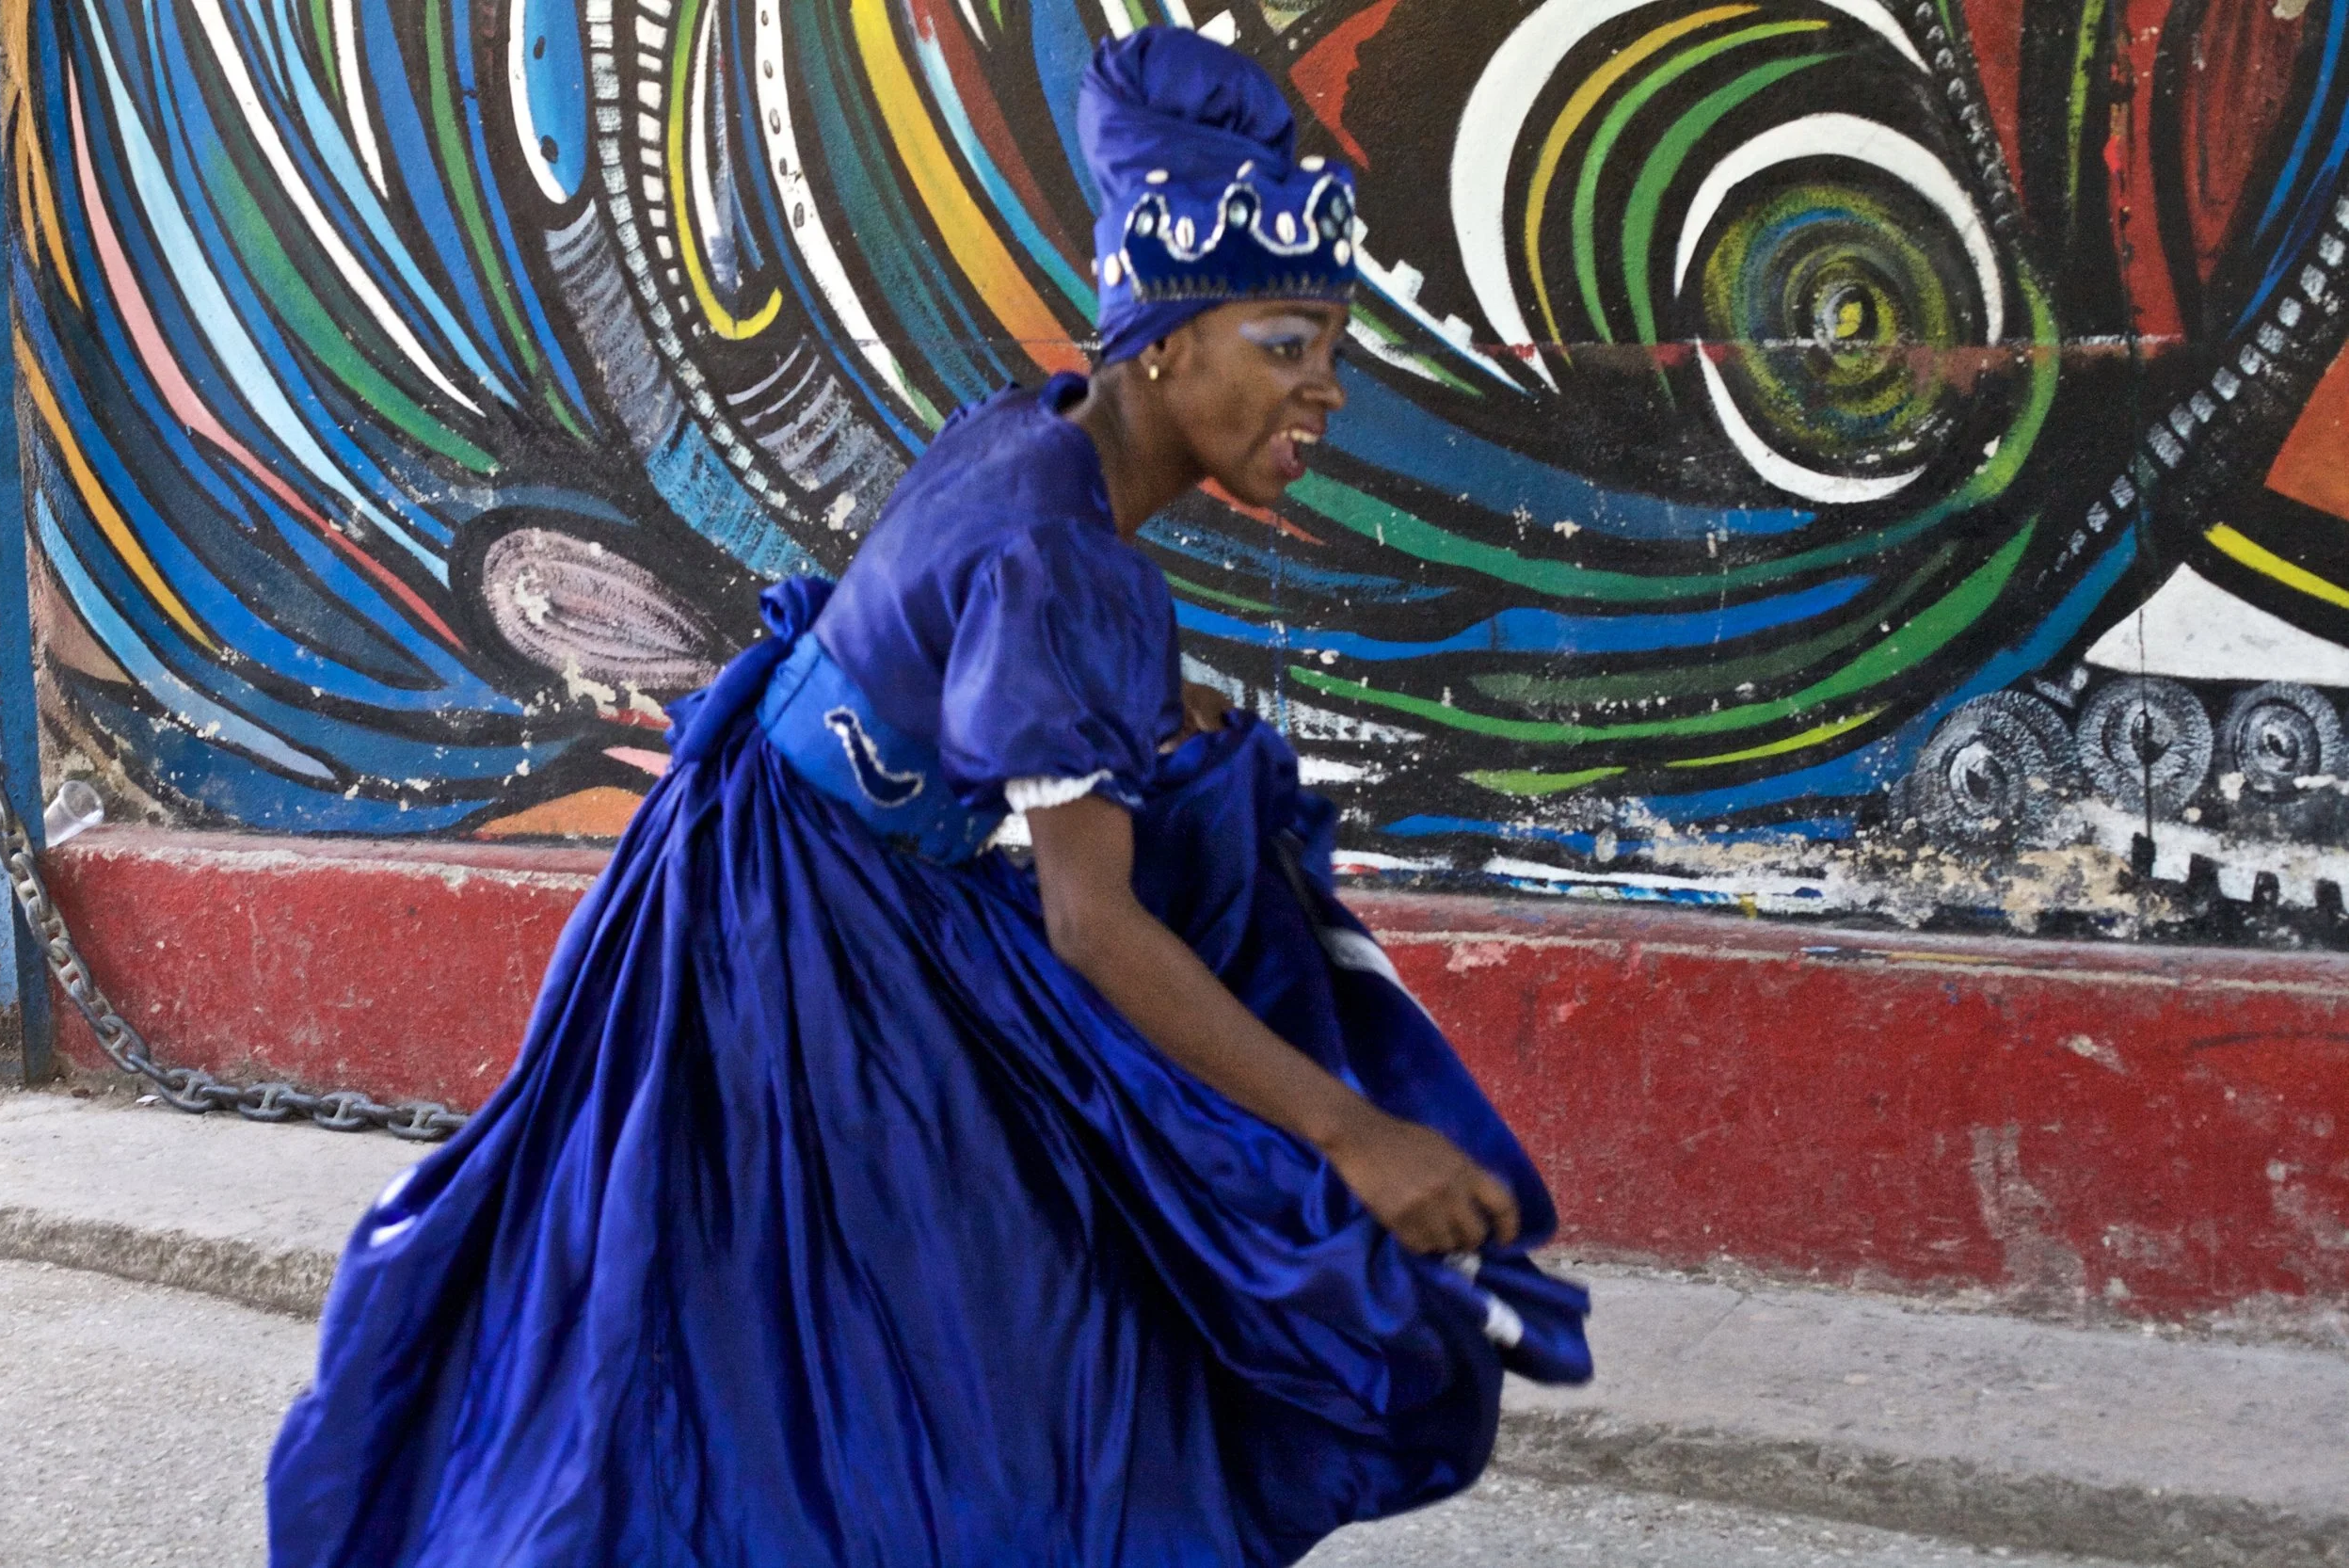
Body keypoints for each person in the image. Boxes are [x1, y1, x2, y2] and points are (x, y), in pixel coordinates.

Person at [266, 25, 1590, 1568]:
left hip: (780, 857)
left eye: (1329, 351)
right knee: (914, 1342)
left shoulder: (1033, 433)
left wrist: (1145, 699)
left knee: (808, 1331)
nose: (1326, 390)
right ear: (1167, 344)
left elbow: (946, 618)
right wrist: (1351, 1129)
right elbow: (1092, 923)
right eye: (1287, 343)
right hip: (799, 937)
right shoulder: (1068, 560)